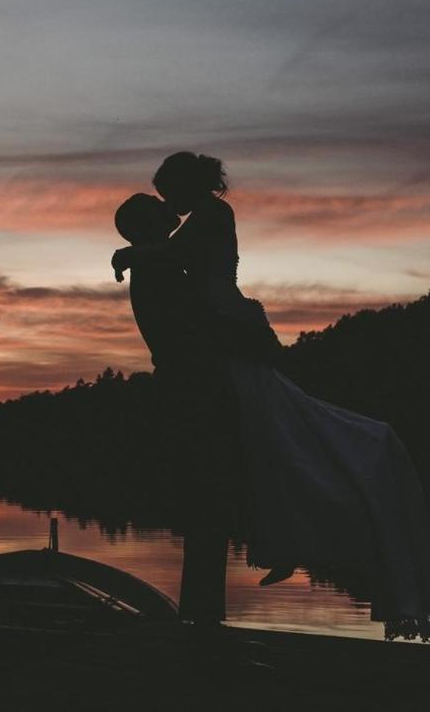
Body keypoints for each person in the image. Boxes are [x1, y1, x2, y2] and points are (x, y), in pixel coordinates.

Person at [113, 152, 430, 636]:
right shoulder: (172, 249)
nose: (166, 205)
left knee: (277, 452)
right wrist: (138, 253)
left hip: (223, 353)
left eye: (166, 193)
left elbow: (176, 259)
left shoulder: (207, 220)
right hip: (210, 368)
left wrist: (132, 252)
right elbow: (172, 295)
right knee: (271, 455)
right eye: (158, 202)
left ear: (186, 186)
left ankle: (248, 576)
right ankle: (267, 560)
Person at [114, 192, 239, 624]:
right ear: (148, 223)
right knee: (208, 504)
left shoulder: (154, 259)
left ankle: (202, 619)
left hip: (186, 386)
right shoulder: (159, 264)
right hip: (193, 389)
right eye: (156, 202)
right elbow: (194, 324)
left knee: (207, 506)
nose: (168, 203)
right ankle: (203, 622)